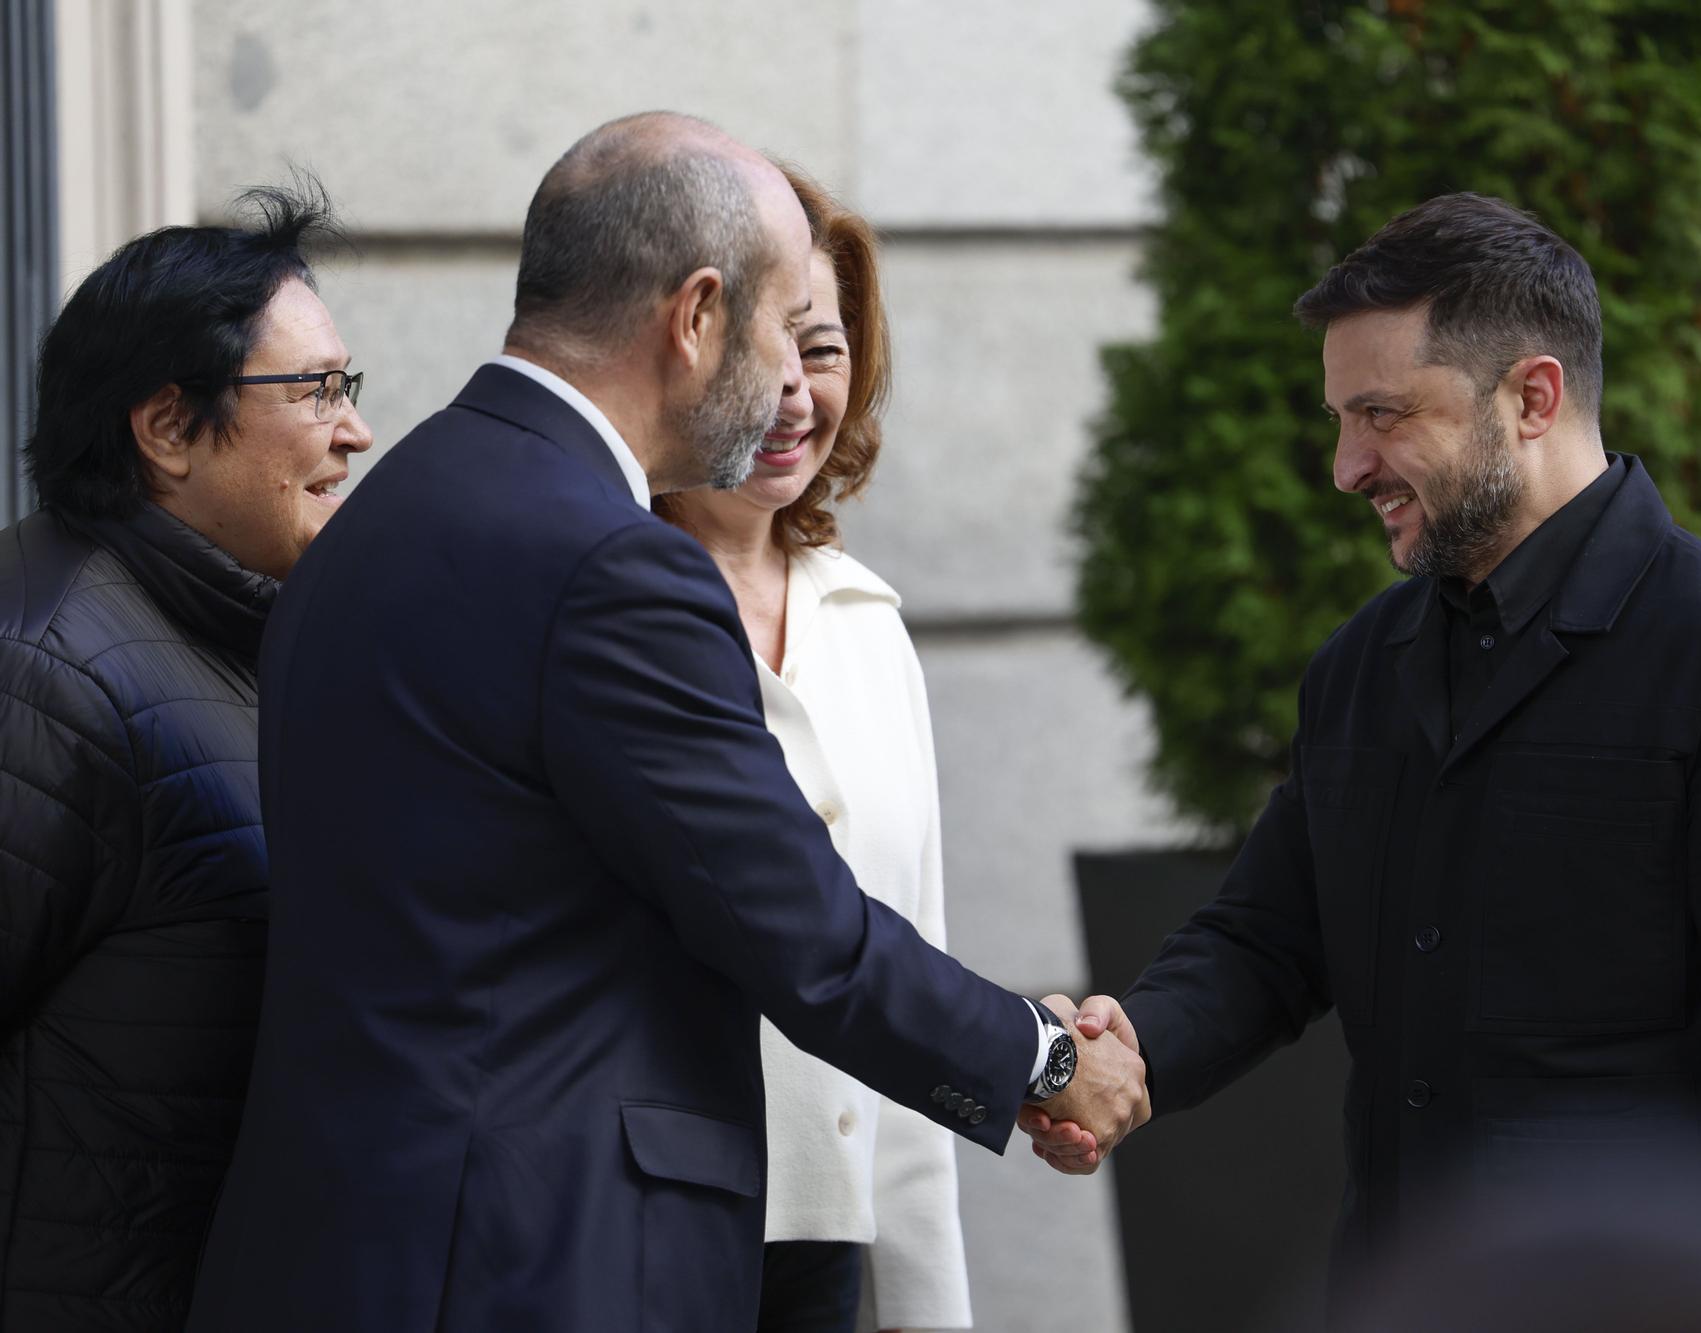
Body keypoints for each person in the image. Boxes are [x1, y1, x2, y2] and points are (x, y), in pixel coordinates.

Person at [186, 113, 1147, 1333]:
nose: (792, 383)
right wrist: (1047, 1060)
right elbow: (804, 931)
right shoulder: (610, 565)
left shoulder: (380, 519)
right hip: (533, 1265)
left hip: (350, 1248)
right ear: (694, 319)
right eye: (771, 327)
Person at [1023, 193, 1701, 1288]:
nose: (1347, 466)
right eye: (1340, 419)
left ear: (1531, 397)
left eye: (1383, 415)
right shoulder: (1359, 666)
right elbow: (1264, 938)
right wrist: (1128, 1051)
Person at [0, 185, 372, 1331]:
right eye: (312, 390)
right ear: (166, 428)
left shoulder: (243, 637)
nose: (353, 430)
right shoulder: (44, 674)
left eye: (346, 387)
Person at [656, 168, 969, 1332]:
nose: (793, 392)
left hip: (822, 1258)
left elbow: (912, 969)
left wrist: (930, 1306)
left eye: (825, 349)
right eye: (764, 343)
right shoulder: (594, 608)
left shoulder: (868, 625)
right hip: (637, 1238)